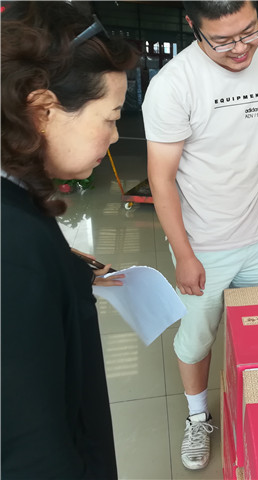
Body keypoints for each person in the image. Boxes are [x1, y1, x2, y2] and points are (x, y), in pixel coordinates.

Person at [141, 0, 258, 470]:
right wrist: (184, 255)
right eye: (223, 40)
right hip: (203, 245)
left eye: (249, 32)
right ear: (193, 25)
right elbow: (161, 179)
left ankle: (254, 409)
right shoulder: (174, 85)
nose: (240, 48)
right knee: (197, 338)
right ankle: (197, 417)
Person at [1, 2, 138, 478]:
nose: (115, 137)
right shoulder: (14, 249)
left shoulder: (16, 212)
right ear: (42, 110)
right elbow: (30, 447)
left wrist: (67, 268)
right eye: (110, 118)